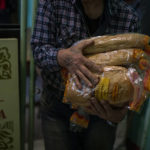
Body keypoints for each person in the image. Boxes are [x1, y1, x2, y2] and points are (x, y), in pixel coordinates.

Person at [31, 0, 141, 150]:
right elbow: (38, 50)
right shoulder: (52, 3)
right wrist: (64, 57)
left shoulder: (128, 16)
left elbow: (134, 77)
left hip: (102, 111)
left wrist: (120, 113)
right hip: (57, 104)